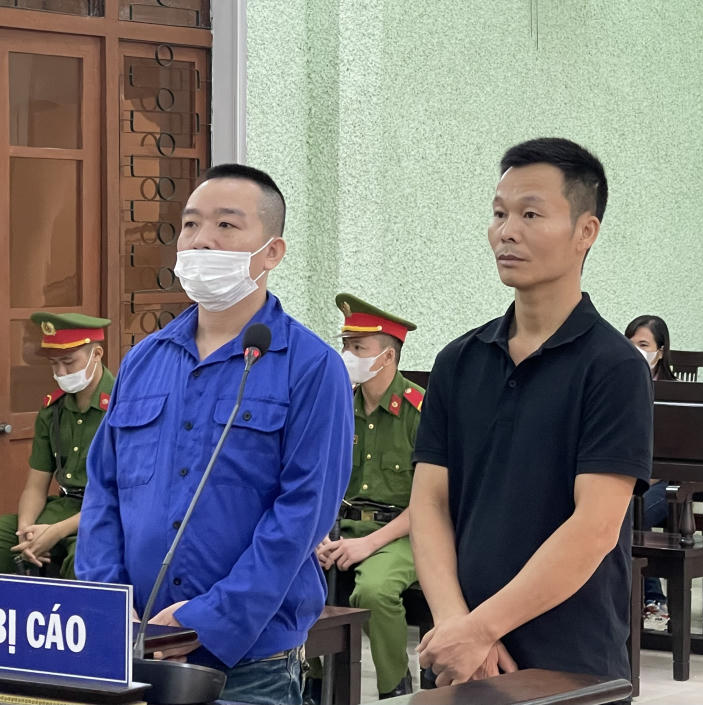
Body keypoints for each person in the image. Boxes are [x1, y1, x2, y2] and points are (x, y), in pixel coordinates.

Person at [76, 164, 352, 705]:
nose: (202, 240)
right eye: (190, 224)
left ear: (272, 252)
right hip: (130, 647)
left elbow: (301, 514)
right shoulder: (144, 360)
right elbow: (103, 492)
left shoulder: (311, 366)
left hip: (247, 667)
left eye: (226, 225)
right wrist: (107, 603)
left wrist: (208, 618)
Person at [410, 137, 653, 691]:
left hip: (568, 658)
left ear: (585, 232)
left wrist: (483, 627)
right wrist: (457, 626)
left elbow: (594, 528)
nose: (507, 231)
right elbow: (429, 503)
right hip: (459, 657)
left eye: (530, 214)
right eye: (499, 213)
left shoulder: (614, 367)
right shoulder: (458, 361)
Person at [314, 293, 423, 699]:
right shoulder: (340, 404)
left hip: (402, 532)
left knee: (374, 590)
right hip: (341, 528)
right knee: (293, 572)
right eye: (345, 345)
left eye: (358, 348)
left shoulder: (420, 411)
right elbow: (321, 477)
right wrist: (317, 535)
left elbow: (431, 502)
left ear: (387, 357)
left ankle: (395, 689)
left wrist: (368, 544)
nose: (347, 355)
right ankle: (315, 684)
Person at [0, 313, 113, 579]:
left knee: (83, 561)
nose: (61, 372)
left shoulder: (121, 406)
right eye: (54, 363)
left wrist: (55, 532)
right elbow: (35, 486)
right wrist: (26, 532)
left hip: (105, 514)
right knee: (7, 539)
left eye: (69, 362)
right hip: (63, 507)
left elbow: (121, 498)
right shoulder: (53, 409)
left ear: (97, 354)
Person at [623, 314, 674, 626]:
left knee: (629, 513)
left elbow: (674, 453)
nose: (635, 352)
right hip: (630, 478)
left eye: (643, 345)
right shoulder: (621, 387)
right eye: (630, 344)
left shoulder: (674, 394)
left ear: (660, 352)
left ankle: (653, 598)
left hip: (667, 481)